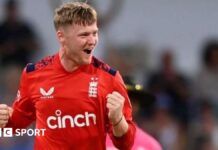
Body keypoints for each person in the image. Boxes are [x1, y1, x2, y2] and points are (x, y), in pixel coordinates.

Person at [0, 2, 136, 150]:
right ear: (62, 37)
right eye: (84, 35)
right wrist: (4, 121)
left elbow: (126, 144)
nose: (92, 41)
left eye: (94, 33)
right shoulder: (33, 75)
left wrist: (118, 120)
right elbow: (15, 126)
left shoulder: (110, 78)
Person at [106, 77, 162, 150]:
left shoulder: (150, 145)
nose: (128, 105)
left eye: (133, 101)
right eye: (122, 98)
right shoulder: (93, 136)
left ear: (138, 106)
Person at [0, 0, 39, 67]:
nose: (12, 13)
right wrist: (7, 48)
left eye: (13, 10)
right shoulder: (2, 29)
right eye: (10, 10)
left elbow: (36, 46)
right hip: (8, 66)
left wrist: (23, 44)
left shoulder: (25, 28)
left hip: (25, 65)